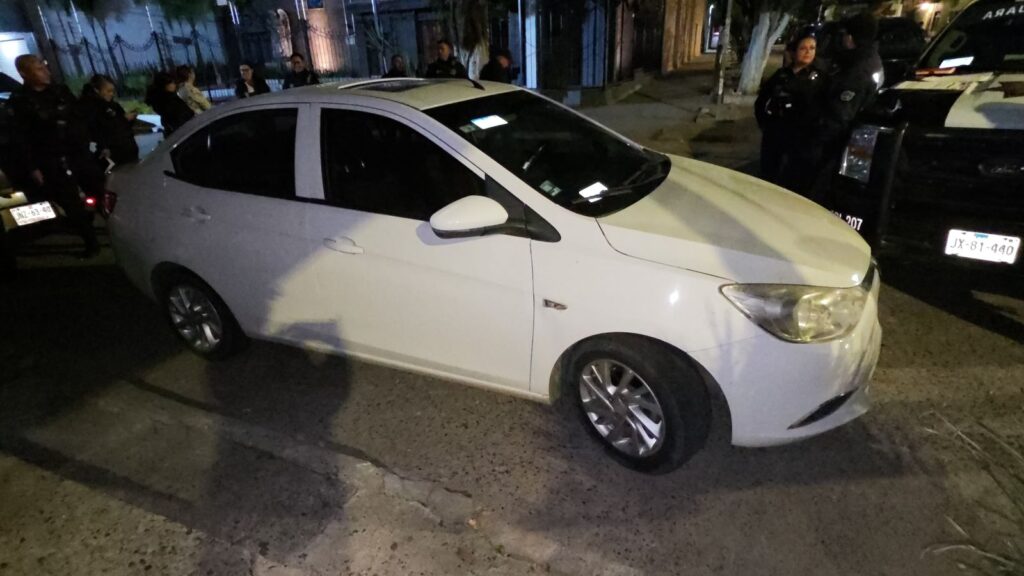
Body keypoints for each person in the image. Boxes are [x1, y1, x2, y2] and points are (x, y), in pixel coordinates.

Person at [8, 54, 103, 257]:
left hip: (78, 154)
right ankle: (91, 242)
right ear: (24, 73)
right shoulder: (19, 101)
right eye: (39, 68)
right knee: (71, 203)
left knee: (100, 193)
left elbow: (79, 118)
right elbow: (20, 137)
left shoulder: (60, 91)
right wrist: (33, 167)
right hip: (51, 159)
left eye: (44, 66)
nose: (45, 71)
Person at [755, 32, 826, 193]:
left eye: (812, 48)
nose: (808, 52)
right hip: (775, 136)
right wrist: (765, 125)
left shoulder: (820, 79)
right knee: (768, 179)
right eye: (803, 48)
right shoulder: (781, 75)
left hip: (802, 142)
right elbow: (761, 102)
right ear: (793, 52)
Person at [79, 74, 139, 166]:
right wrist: (123, 119)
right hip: (114, 153)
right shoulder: (92, 109)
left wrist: (129, 119)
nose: (111, 94)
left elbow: (123, 125)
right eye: (108, 91)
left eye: (112, 91)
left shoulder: (114, 105)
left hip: (128, 148)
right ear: (97, 90)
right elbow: (100, 130)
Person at [145, 71, 194, 135]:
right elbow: (183, 117)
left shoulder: (160, 101)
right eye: (172, 82)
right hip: (185, 132)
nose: (174, 84)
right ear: (164, 85)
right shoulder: (170, 101)